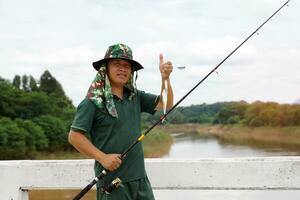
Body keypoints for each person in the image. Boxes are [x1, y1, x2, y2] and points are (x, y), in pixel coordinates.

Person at [68, 43, 174, 200]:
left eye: (127, 65)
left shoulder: (135, 97)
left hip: (140, 181)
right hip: (112, 185)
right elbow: (74, 136)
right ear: (105, 68)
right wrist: (103, 158)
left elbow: (165, 103)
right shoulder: (92, 102)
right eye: (117, 64)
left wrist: (165, 79)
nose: (123, 69)